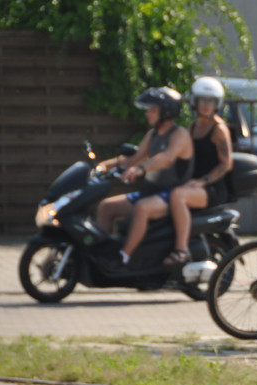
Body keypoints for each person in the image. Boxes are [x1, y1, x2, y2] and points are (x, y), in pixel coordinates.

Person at [95, 87, 194, 267]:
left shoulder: (180, 135)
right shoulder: (153, 134)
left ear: (166, 112)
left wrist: (141, 169)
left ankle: (123, 257)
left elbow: (167, 157)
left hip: (171, 195)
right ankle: (101, 252)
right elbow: (132, 159)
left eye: (152, 109)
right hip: (151, 192)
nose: (148, 113)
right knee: (106, 207)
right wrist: (104, 165)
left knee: (142, 208)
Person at [164, 76, 233, 267]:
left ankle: (181, 250)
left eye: (210, 101)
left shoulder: (219, 129)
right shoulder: (193, 127)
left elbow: (226, 164)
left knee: (178, 196)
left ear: (217, 103)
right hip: (193, 184)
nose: (205, 105)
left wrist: (204, 181)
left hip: (212, 188)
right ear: (195, 101)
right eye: (202, 100)